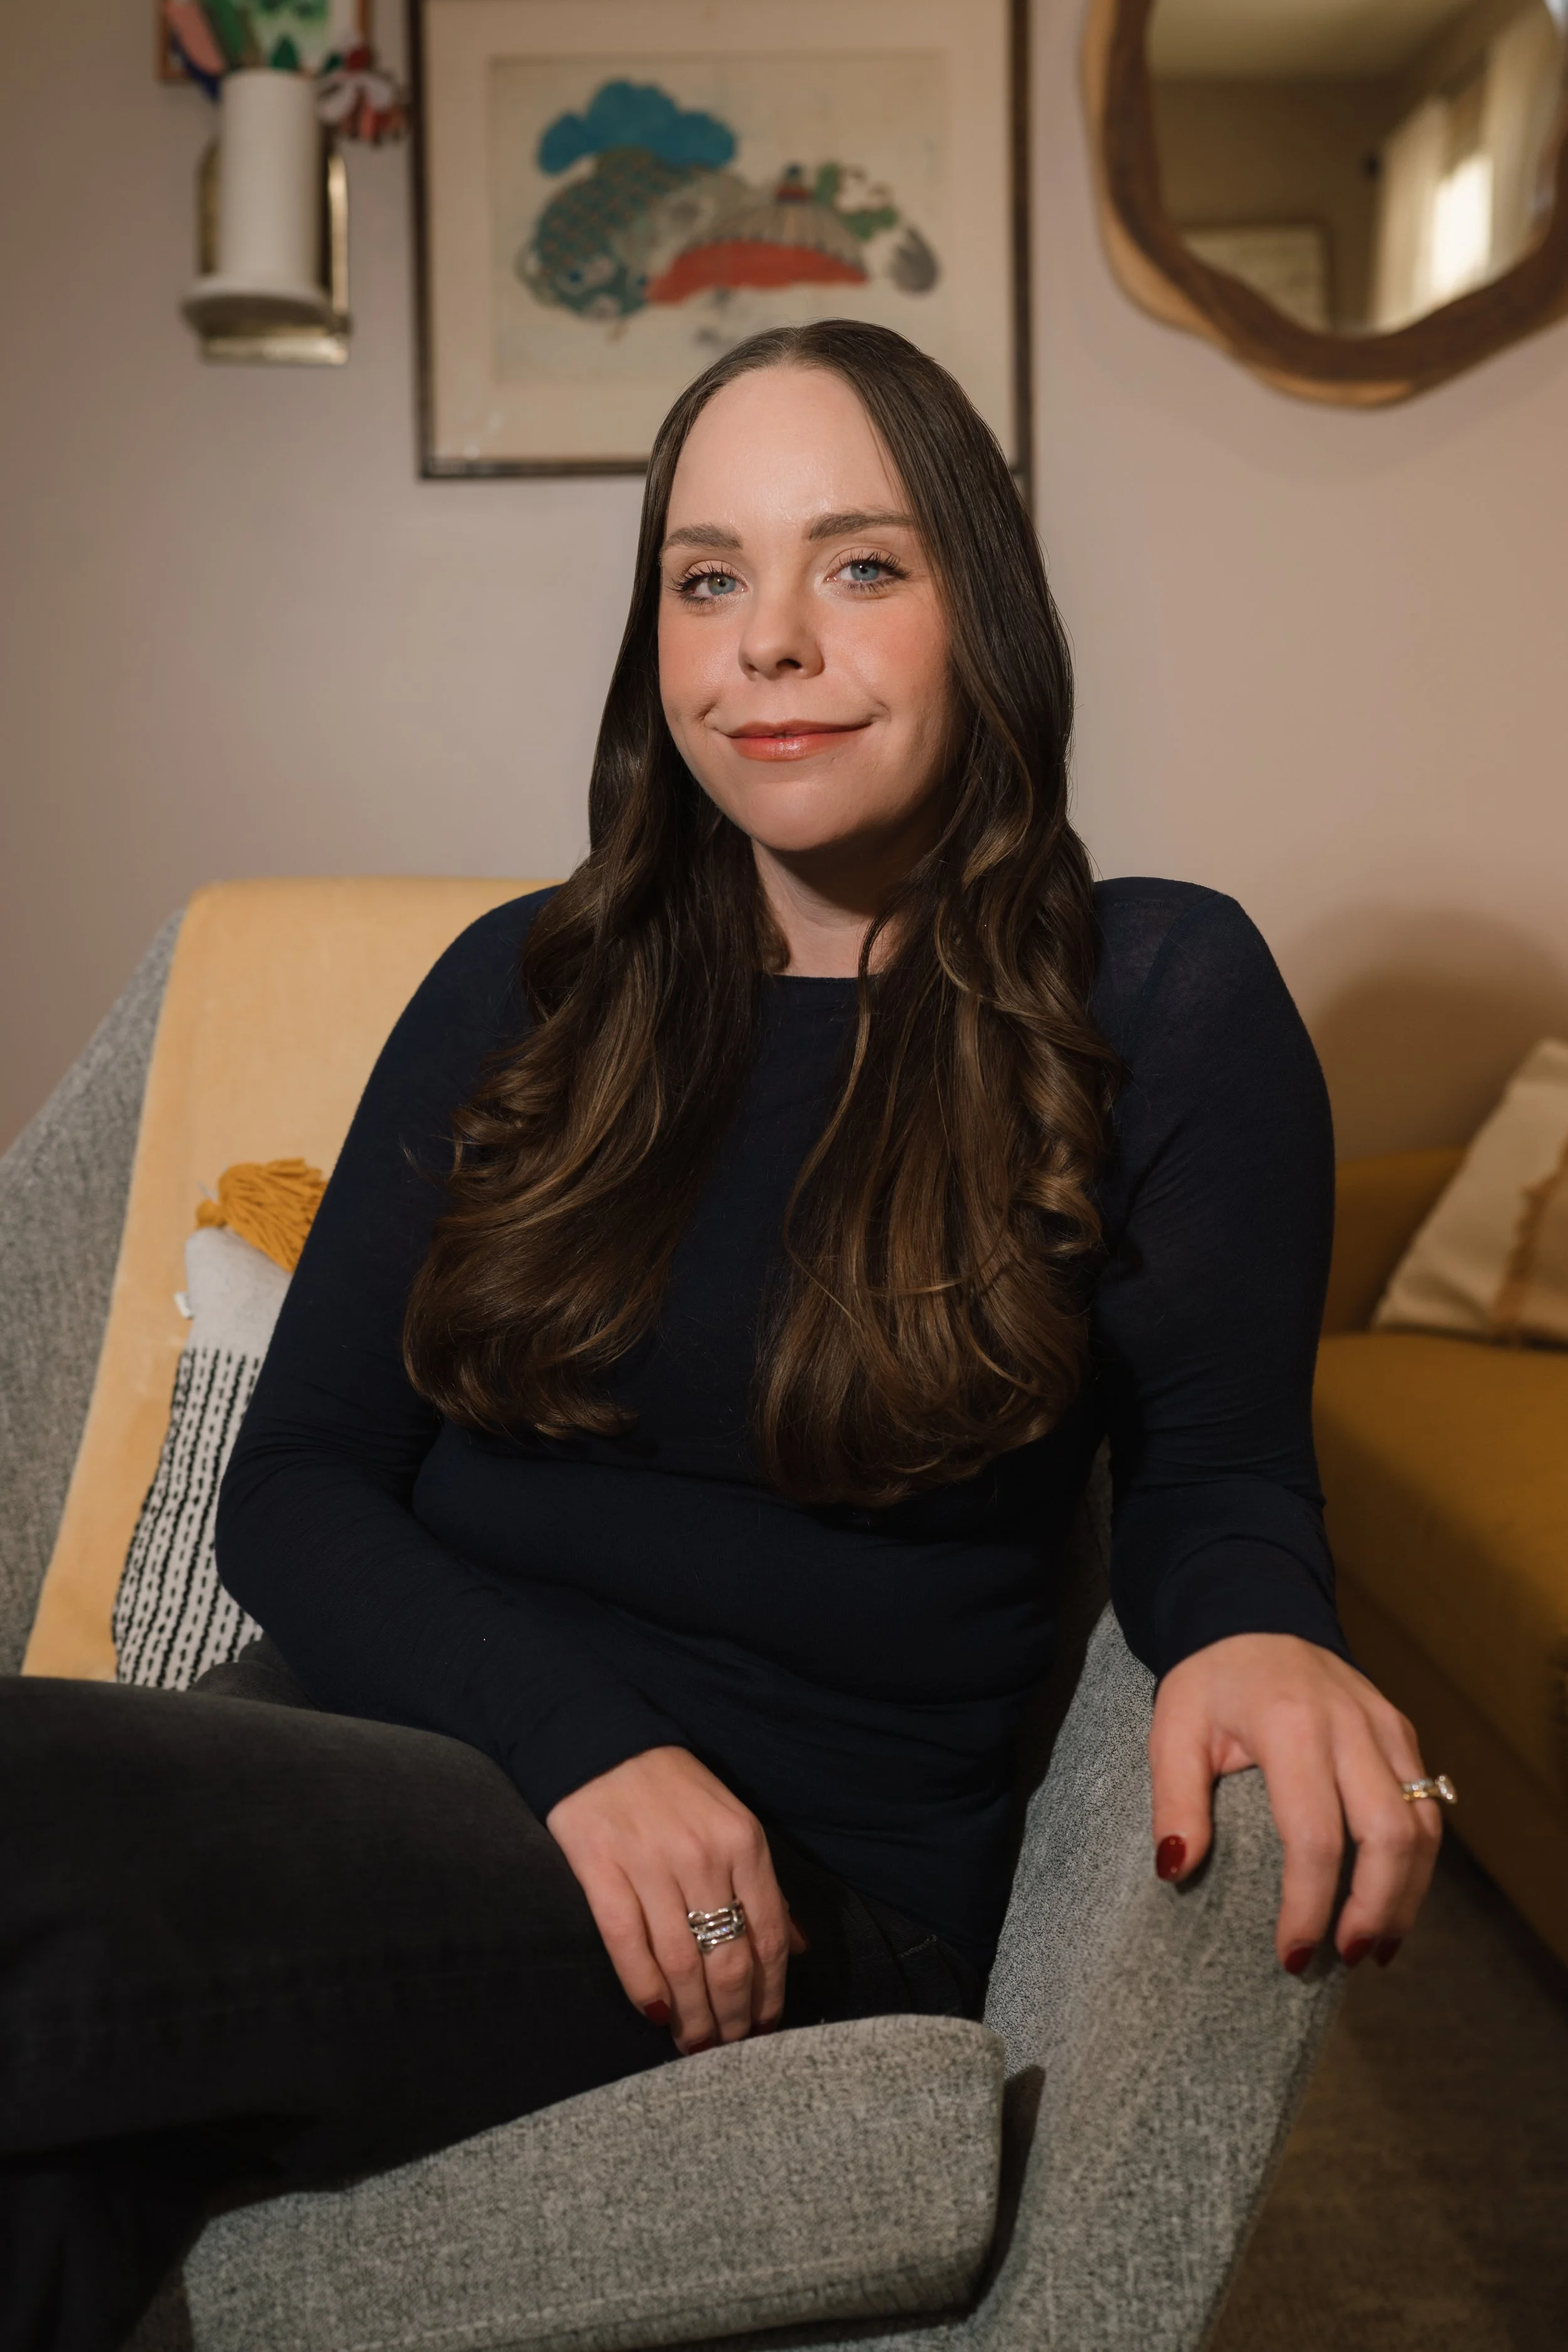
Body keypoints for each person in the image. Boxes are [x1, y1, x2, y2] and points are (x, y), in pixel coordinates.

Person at [1, 321, 1444, 2352]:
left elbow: (1213, 1477)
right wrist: (584, 1749)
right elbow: (301, 1477)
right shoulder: (525, 986)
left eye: (858, 563)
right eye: (707, 575)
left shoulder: (1159, 991)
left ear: (985, 611)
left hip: (787, 1866)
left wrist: (1264, 1626)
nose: (766, 640)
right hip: (368, 1741)